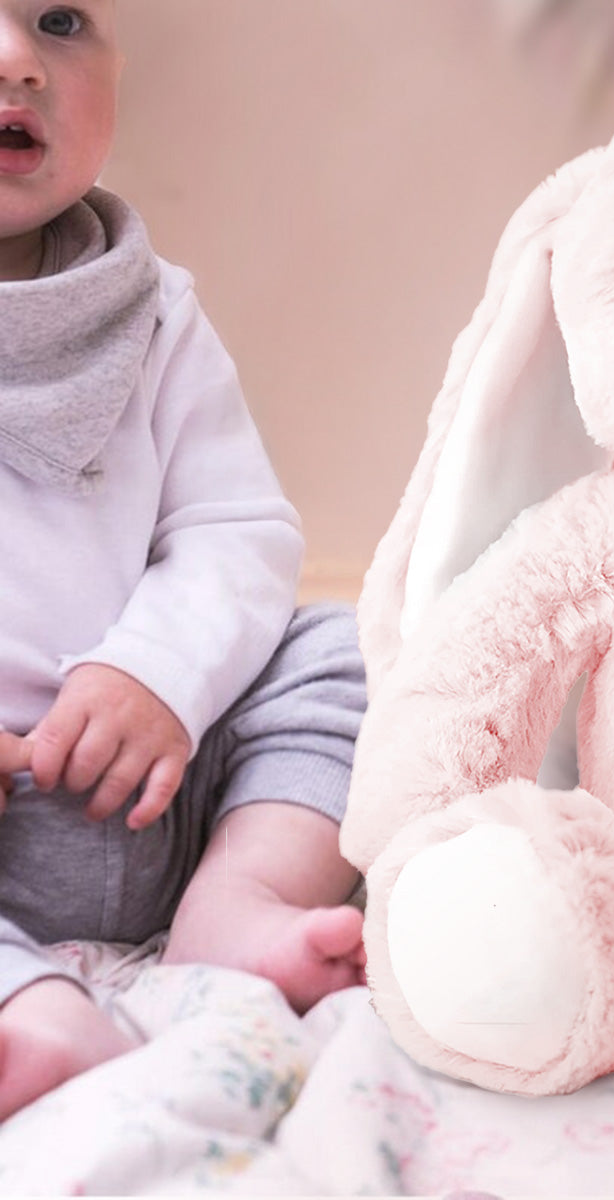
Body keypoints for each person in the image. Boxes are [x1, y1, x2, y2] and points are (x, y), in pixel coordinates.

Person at [0, 0, 367, 1118]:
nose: (18, 59)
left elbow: (235, 529)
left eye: (58, 19)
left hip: (167, 779)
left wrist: (157, 671)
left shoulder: (154, 315)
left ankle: (238, 901)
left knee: (350, 645)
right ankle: (30, 1008)